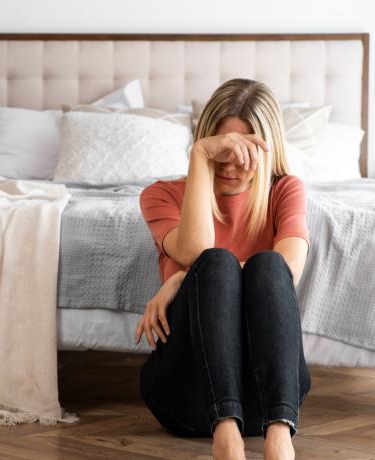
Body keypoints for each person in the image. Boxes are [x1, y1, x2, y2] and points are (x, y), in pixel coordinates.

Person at [136, 78, 311, 460]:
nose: (230, 164)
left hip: (268, 398)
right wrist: (200, 156)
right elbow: (196, 251)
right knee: (214, 261)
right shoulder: (161, 195)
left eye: (245, 150)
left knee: (269, 263)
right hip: (188, 393)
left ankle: (280, 438)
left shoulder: (286, 190)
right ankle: (226, 437)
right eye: (221, 149)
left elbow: (288, 270)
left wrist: (182, 279)